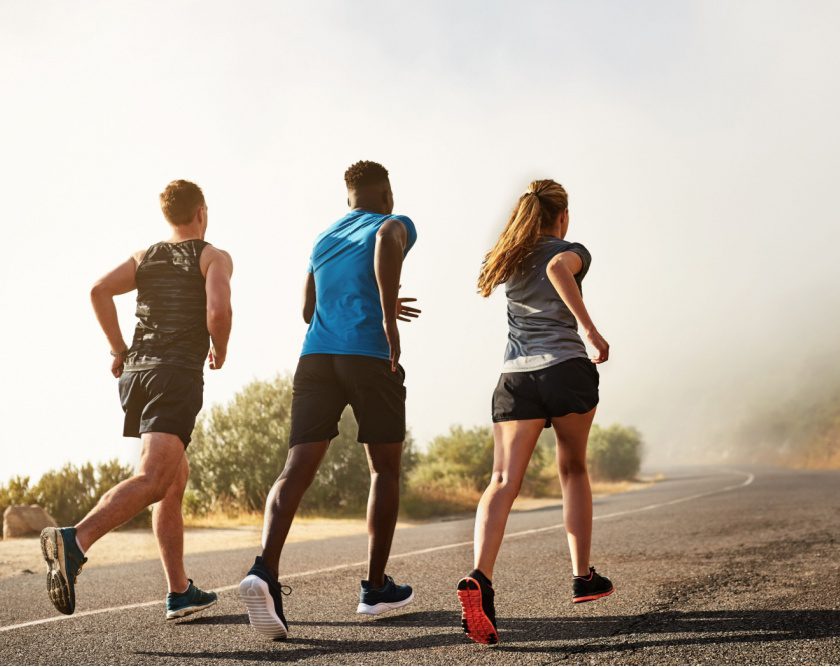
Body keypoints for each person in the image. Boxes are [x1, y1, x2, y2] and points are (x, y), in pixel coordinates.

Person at [239, 160, 421, 640]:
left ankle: (263, 570)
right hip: (367, 355)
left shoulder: (324, 238)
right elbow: (386, 243)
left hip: (317, 357)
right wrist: (386, 314)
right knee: (383, 468)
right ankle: (376, 587)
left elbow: (307, 310)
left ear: (347, 198)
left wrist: (360, 298)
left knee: (295, 467)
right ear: (387, 194)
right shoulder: (393, 223)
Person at [41, 179, 233, 619]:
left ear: (168, 216)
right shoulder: (212, 257)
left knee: (172, 478)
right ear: (201, 212)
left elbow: (98, 290)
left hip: (137, 375)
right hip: (174, 374)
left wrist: (120, 349)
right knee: (153, 477)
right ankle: (75, 542)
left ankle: (179, 590)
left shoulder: (145, 257)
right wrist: (219, 349)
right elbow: (218, 311)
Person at [457, 179, 613, 645]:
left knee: (502, 482)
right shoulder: (569, 249)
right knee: (572, 469)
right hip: (565, 369)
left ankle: (480, 578)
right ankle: (582, 576)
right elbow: (559, 269)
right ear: (561, 217)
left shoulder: (508, 255)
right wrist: (590, 331)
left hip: (516, 379)